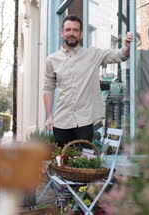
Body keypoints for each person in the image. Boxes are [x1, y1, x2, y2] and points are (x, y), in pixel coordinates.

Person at [43, 15, 133, 147]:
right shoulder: (52, 60)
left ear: (81, 34)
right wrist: (49, 115)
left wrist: (127, 46)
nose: (71, 33)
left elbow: (120, 55)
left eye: (75, 30)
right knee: (62, 164)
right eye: (68, 30)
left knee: (84, 163)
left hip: (85, 122)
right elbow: (48, 88)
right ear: (62, 33)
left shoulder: (93, 54)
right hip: (61, 121)